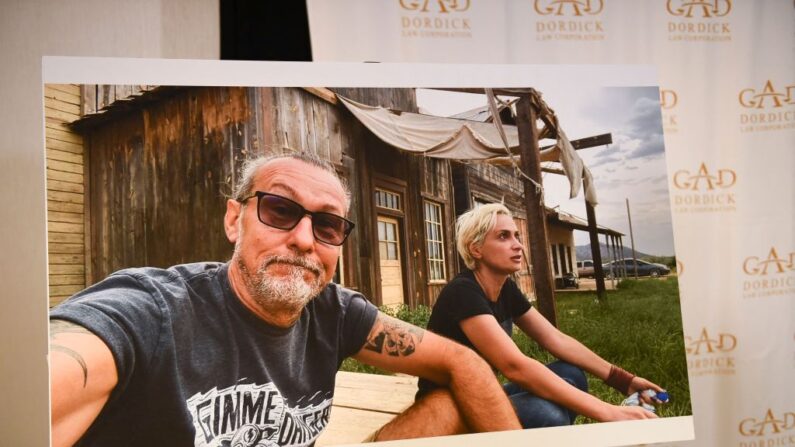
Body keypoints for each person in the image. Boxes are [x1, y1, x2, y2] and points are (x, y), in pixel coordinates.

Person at [49, 153, 521, 447]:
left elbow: (465, 363)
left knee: (453, 404)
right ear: (235, 220)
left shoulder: (334, 312)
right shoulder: (155, 309)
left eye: (328, 225)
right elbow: (55, 372)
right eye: (279, 210)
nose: (303, 239)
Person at [416, 203, 664, 428]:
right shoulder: (463, 291)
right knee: (548, 415)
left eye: (517, 235)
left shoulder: (505, 288)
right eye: (503, 236)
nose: (518, 245)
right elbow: (515, 367)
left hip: (482, 395)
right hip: (447, 410)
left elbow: (555, 339)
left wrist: (623, 380)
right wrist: (609, 412)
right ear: (476, 249)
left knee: (571, 373)